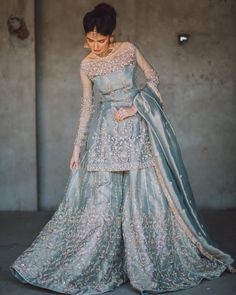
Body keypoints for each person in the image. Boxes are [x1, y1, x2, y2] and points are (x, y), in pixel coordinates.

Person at [9, 2, 236, 295]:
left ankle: (145, 261)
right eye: (90, 39)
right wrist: (77, 147)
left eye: (100, 40)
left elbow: (153, 79)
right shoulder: (87, 64)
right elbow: (88, 106)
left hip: (137, 129)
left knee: (144, 194)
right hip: (105, 133)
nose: (95, 45)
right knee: (103, 199)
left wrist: (134, 108)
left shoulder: (129, 49)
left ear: (111, 34)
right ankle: (105, 260)